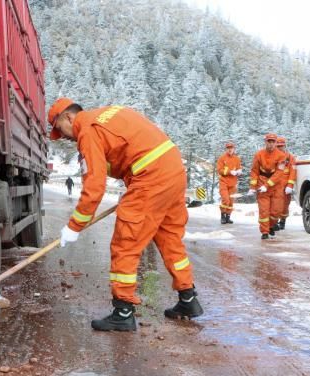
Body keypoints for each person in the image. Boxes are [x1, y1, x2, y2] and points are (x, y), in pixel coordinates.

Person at [47, 97, 204, 332]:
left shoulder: (87, 131)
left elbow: (94, 187)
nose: (67, 138)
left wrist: (74, 226)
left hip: (150, 177)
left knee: (125, 243)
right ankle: (188, 299)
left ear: (68, 117)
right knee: (169, 238)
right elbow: (134, 149)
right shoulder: (109, 112)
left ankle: (123, 312)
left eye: (61, 130)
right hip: (173, 171)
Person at [248, 133, 286, 240]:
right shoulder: (259, 154)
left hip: (276, 186)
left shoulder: (281, 156)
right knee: (264, 210)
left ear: (275, 143)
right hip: (262, 182)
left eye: (273, 141)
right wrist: (252, 186)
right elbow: (255, 171)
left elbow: (279, 172)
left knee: (276, 211)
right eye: (269, 141)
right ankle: (264, 231)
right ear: (265, 142)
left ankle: (271, 225)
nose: (271, 144)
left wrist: (268, 185)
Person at [216, 141, 242, 224]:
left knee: (231, 201)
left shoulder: (237, 159)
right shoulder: (222, 158)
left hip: (233, 183)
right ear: (226, 149)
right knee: (225, 199)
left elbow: (239, 168)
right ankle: (222, 216)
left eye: (231, 148)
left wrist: (239, 171)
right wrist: (230, 172)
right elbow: (219, 170)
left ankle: (228, 217)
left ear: (234, 149)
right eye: (228, 148)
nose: (230, 149)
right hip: (223, 182)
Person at [275, 137, 297, 230]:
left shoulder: (290, 157)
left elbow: (293, 172)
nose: (280, 148)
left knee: (285, 205)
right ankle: (274, 222)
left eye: (281, 146)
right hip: (275, 185)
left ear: (285, 146)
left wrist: (290, 185)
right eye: (278, 146)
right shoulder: (274, 157)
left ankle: (283, 221)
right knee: (275, 205)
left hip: (285, 186)